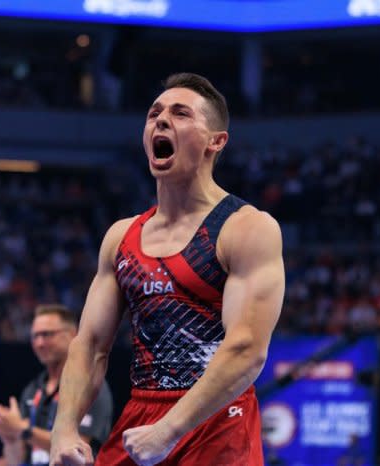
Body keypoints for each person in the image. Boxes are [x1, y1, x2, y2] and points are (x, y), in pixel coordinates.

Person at [49, 73, 285, 466]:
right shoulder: (121, 237)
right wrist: (64, 430)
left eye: (180, 113)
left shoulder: (246, 228)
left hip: (218, 418)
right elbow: (89, 346)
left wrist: (170, 428)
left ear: (216, 141)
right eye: (154, 113)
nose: (160, 120)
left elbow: (246, 350)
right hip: (142, 415)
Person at [0, 304, 113, 466]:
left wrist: (22, 429)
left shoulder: (89, 384)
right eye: (34, 336)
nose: (39, 343)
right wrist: (11, 439)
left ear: (72, 335)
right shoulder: (32, 389)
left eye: (47, 334)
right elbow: (18, 460)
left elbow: (78, 451)